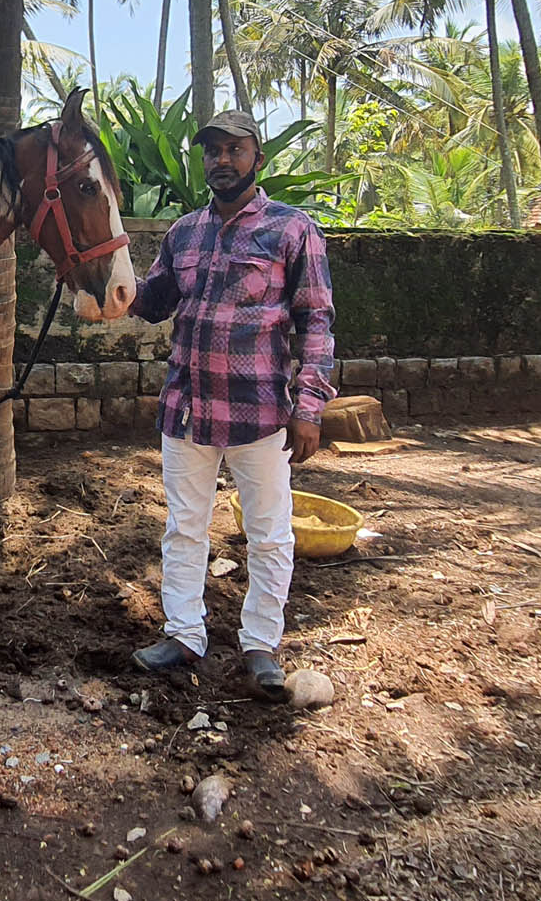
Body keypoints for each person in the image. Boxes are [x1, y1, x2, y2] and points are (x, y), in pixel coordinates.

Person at [126, 109, 336, 701]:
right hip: (187, 407)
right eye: (212, 150)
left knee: (268, 534)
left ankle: (261, 644)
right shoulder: (184, 233)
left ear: (257, 158)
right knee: (184, 528)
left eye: (233, 149)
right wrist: (105, 283)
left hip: (260, 411)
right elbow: (154, 301)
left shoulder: (293, 229)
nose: (222, 160)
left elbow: (316, 322)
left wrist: (309, 406)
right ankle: (183, 634)